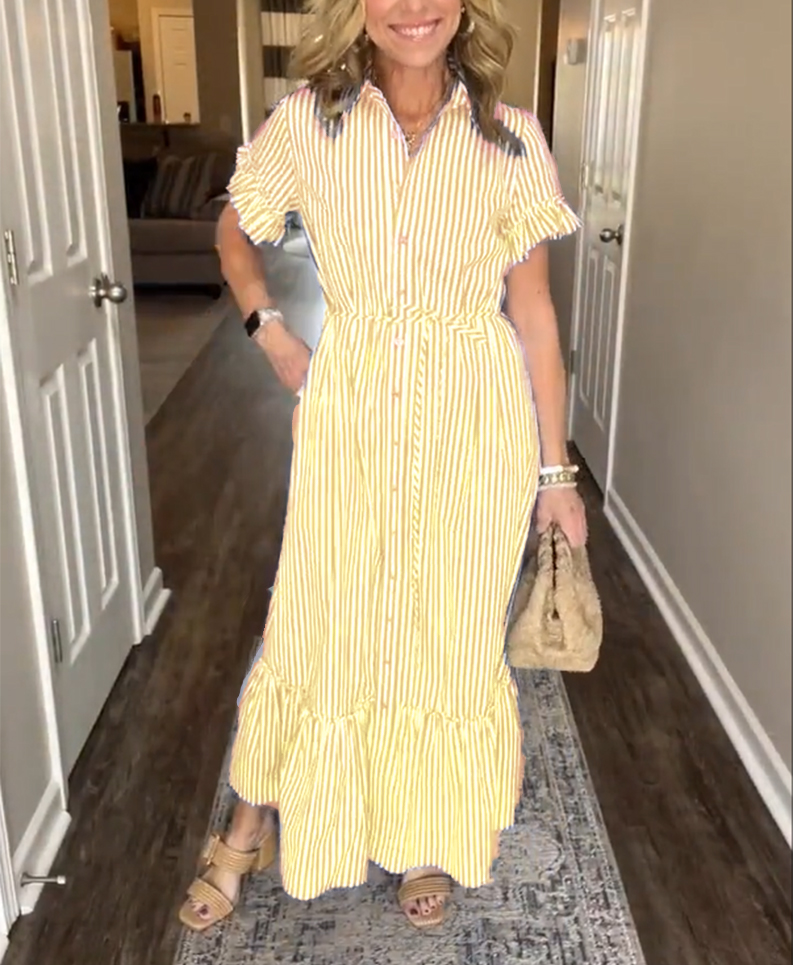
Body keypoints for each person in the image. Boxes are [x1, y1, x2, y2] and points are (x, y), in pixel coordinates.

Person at [179, 0, 587, 933]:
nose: (412, 9)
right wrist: (271, 332)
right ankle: (250, 824)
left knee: (447, 632)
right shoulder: (306, 123)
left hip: (472, 425)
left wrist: (554, 473)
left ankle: (425, 832)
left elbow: (532, 313)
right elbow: (234, 233)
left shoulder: (508, 137)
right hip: (352, 415)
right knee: (317, 618)